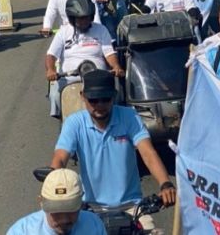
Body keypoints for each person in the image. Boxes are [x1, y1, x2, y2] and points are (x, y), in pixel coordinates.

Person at [51, 70, 176, 231]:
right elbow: (60, 158)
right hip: (90, 209)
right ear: (83, 96)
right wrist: (53, 187)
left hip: (132, 208)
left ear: (114, 96)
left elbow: (148, 153)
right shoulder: (75, 123)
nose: (100, 105)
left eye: (106, 99)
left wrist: (165, 184)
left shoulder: (129, 117)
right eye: (94, 100)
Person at [45, 0, 124, 118]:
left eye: (86, 18)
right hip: (69, 80)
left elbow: (109, 52)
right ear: (72, 18)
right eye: (80, 19)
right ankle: (63, 120)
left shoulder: (101, 30)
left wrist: (116, 66)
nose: (84, 22)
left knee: (117, 96)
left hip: (98, 79)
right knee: (54, 96)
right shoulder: (63, 32)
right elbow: (51, 55)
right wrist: (51, 70)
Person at [6, 168, 104, 235]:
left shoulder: (94, 225)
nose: (64, 219)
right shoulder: (22, 232)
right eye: (56, 211)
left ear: (81, 203)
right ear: (41, 202)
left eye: (71, 210)